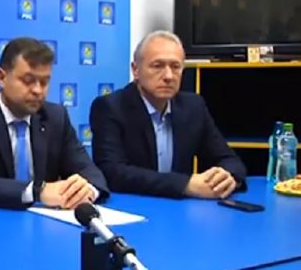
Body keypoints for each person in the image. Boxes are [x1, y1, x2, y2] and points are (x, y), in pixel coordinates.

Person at [0, 37, 108, 209]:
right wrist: (36, 191)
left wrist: (87, 190)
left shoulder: (56, 117)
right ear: (2, 77)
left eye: (44, 82)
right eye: (28, 81)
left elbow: (91, 173)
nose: (38, 90)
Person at [89, 30, 247, 199]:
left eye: (175, 66)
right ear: (136, 70)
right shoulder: (110, 107)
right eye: (157, 66)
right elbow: (112, 172)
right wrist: (185, 185)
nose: (168, 76)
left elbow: (229, 160)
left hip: (179, 209)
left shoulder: (193, 106)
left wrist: (228, 176)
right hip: (133, 204)